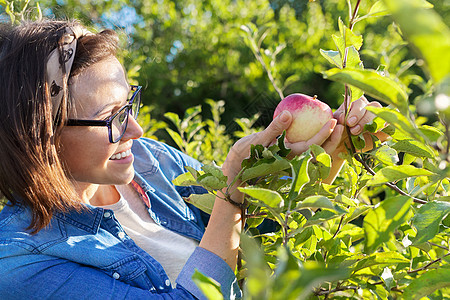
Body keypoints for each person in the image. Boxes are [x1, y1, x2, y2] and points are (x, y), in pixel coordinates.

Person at [0, 19, 385, 299]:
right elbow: (227, 218)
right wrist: (231, 194)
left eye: (129, 103)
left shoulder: (151, 162)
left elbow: (262, 227)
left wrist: (327, 155)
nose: (135, 129)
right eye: (111, 118)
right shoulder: (20, 264)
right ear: (40, 137)